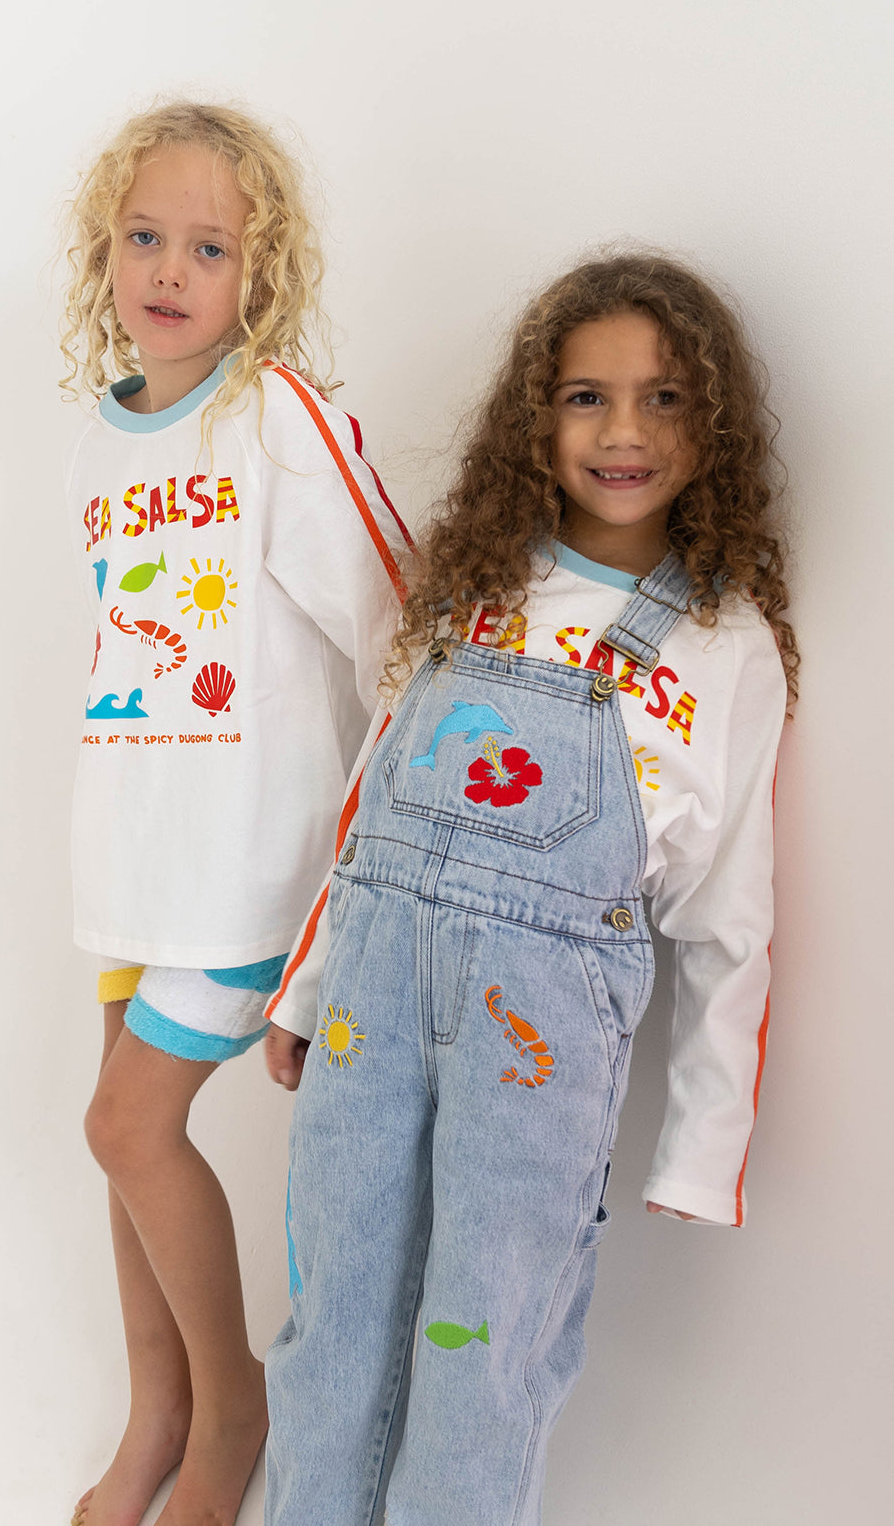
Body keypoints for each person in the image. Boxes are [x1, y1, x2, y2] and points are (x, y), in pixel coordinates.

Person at [262, 253, 798, 1526]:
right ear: (532, 418)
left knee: (480, 1343)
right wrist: (303, 991)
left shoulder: (724, 647)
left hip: (541, 1041)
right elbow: (370, 810)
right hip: (370, 1003)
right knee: (333, 1310)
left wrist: (704, 1142)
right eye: (583, 397)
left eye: (664, 399)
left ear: (711, 423)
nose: (622, 432)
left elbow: (730, 916)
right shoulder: (473, 591)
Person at [60, 101, 409, 1526]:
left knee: (129, 1127)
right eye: (145, 235)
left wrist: (360, 868)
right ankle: (161, 1412)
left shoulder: (279, 418)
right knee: (120, 1144)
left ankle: (231, 1421)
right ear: (107, 252)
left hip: (251, 869)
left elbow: (397, 613)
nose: (170, 267)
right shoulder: (101, 432)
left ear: (257, 276)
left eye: (209, 245)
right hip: (133, 856)